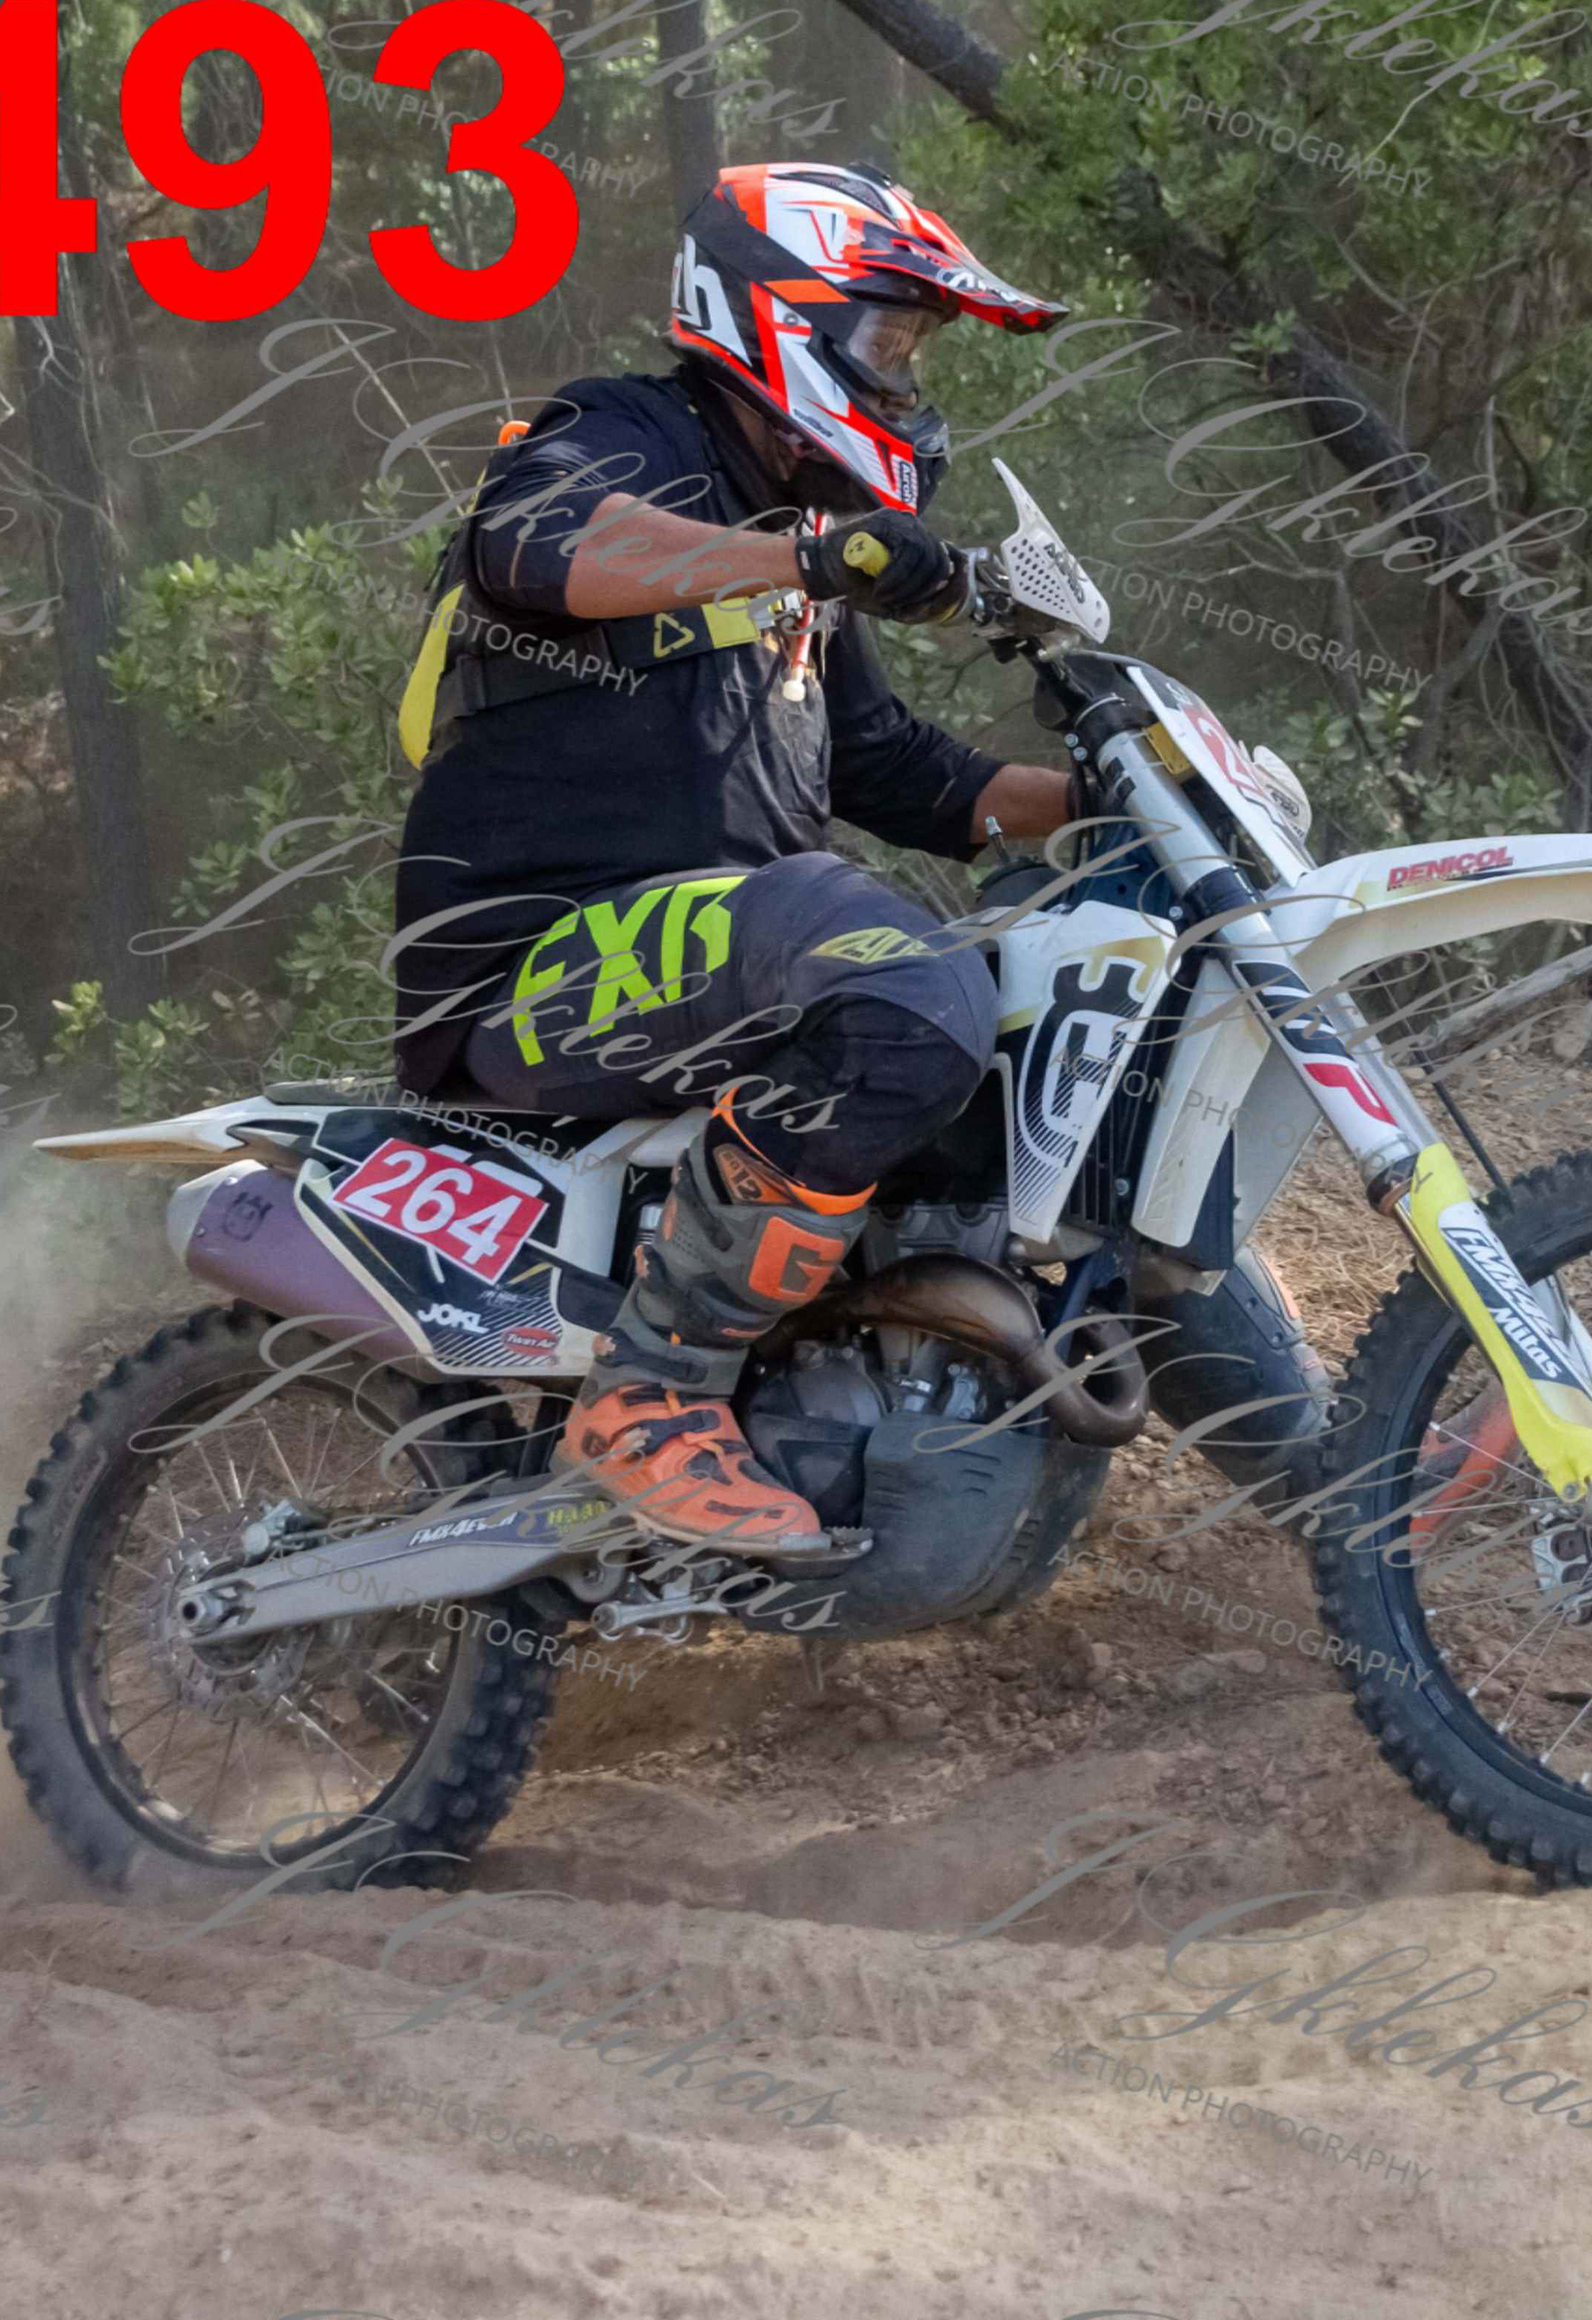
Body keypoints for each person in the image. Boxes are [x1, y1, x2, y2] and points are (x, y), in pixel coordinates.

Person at [389, 161, 1077, 1562]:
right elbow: (534, 543)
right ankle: (651, 1395)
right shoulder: (622, 430)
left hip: (718, 961)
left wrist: (1116, 798)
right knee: (908, 982)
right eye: (888, 340)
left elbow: (904, 776)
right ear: (776, 315)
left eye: (914, 352)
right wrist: (810, 560)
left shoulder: (800, 540)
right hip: (530, 964)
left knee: (1019, 1019)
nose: (904, 379)